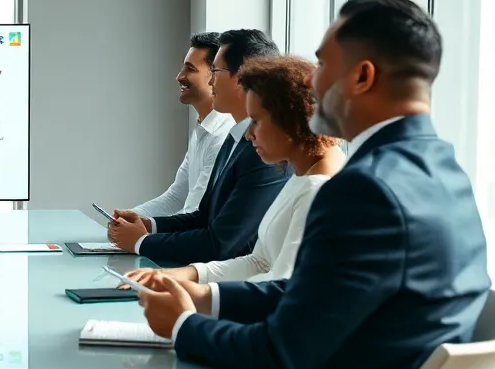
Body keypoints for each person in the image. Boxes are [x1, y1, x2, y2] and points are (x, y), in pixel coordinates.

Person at [8, 0, 492, 369]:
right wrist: (205, 298)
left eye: (323, 61)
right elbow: (309, 297)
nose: (314, 78)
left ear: (361, 75)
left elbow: (283, 352)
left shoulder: (364, 191)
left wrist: (185, 325)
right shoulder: (442, 173)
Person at [122, 55, 342, 288]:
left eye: (256, 121)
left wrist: (195, 295)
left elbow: (280, 287)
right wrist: (181, 275)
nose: (249, 134)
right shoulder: (300, 177)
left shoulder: (315, 189)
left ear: (289, 119)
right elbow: (259, 262)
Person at [108, 29, 290, 266]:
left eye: (215, 71)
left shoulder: (265, 153)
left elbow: (221, 244)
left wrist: (140, 242)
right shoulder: (235, 138)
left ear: (244, 77)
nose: (211, 80)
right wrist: (149, 225)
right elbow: (203, 217)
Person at [129, 32, 233, 217]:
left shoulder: (222, 137)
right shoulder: (202, 130)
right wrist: (131, 217)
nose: (179, 77)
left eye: (190, 69)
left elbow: (193, 213)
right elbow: (176, 198)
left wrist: (141, 233)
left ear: (214, 75)